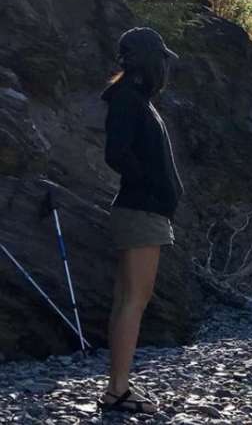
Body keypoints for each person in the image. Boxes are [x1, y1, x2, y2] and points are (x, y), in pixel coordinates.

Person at [96, 26, 185, 414]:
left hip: (141, 210)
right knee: (134, 301)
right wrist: (150, 186)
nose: (165, 66)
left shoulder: (133, 98)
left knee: (126, 301)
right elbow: (116, 153)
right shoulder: (128, 100)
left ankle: (117, 387)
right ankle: (117, 391)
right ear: (149, 59)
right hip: (141, 211)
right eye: (162, 58)